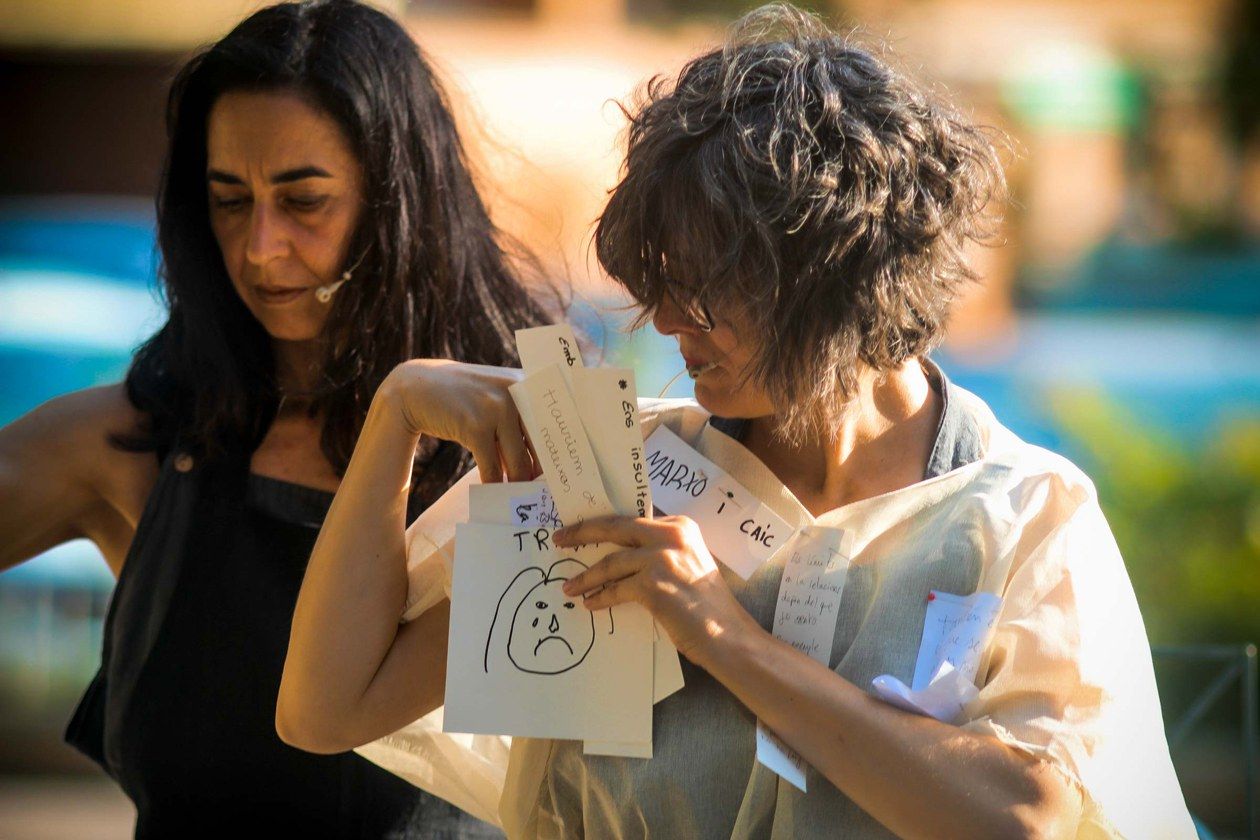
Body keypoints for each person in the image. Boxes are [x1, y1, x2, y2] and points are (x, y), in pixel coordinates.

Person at [278, 5, 1195, 838]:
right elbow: (327, 711)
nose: (670, 322)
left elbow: (1028, 817)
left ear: (834, 275)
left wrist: (723, 638)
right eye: (658, 282)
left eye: (704, 287)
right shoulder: (618, 473)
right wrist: (396, 416)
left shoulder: (1021, 513)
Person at [0, 0, 549, 835]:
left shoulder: (524, 458)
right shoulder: (137, 445)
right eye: (229, 200)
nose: (260, 246)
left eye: (304, 200)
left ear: (400, 202)